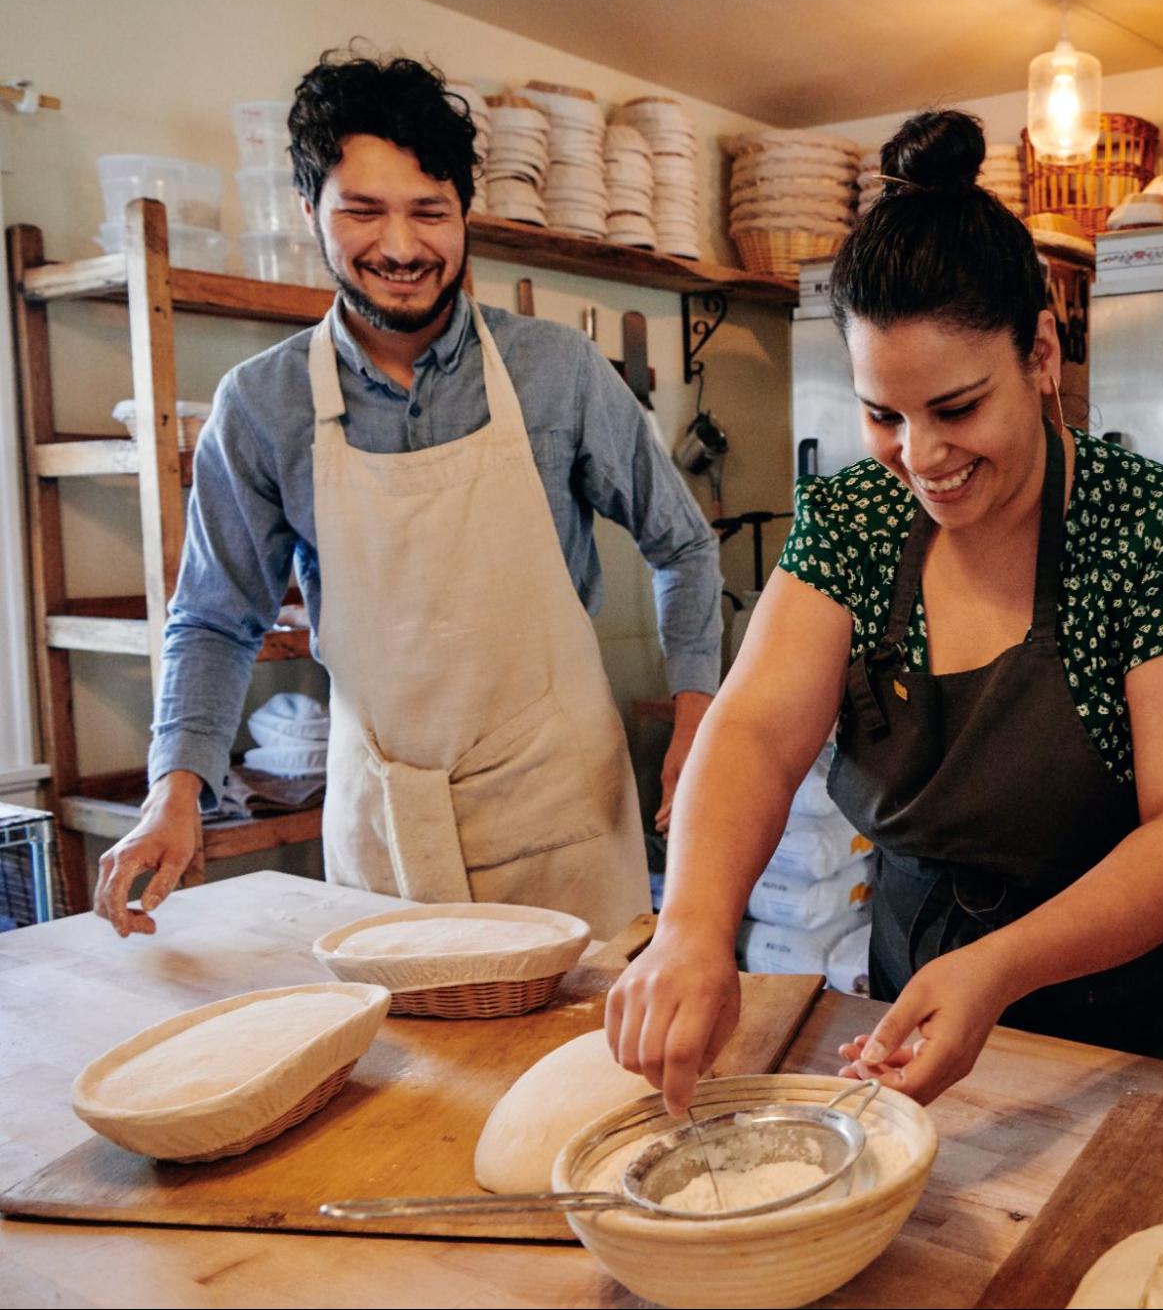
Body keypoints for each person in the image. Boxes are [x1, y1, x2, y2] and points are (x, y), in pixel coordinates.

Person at [606, 110, 1163, 1111]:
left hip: (1151, 1025)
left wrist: (998, 968)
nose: (920, 457)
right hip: (921, 988)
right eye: (883, 414)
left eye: (957, 408)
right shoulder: (854, 520)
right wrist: (693, 925)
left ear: (1041, 354)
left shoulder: (1158, 531)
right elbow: (751, 730)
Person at [92, 51, 722, 939]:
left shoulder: (558, 373)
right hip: (383, 823)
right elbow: (214, 616)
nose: (398, 246)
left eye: (429, 212)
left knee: (581, 1072)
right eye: (361, 210)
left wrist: (697, 714)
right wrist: (175, 786)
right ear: (310, 209)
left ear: (466, 213)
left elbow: (683, 544)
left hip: (561, 812)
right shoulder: (262, 405)